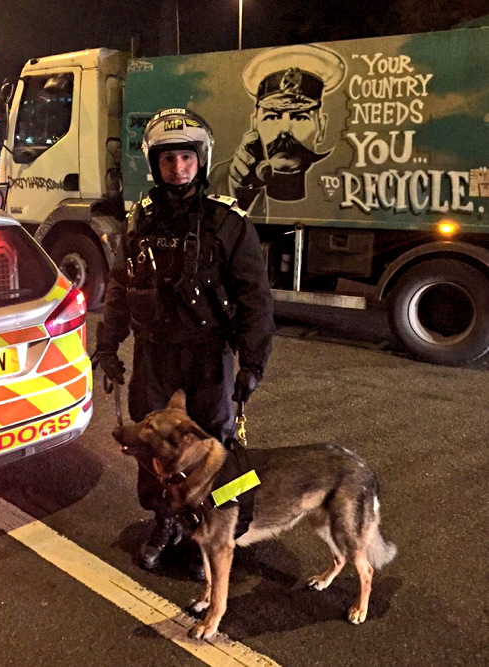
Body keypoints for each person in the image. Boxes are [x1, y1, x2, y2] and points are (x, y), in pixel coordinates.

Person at [97, 107, 275, 578]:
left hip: (208, 355)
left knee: (214, 446)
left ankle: (212, 530)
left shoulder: (227, 223)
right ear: (155, 164)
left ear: (202, 160)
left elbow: (255, 297)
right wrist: (106, 348)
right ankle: (166, 523)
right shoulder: (139, 222)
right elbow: (119, 288)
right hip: (154, 354)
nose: (178, 168)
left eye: (186, 158)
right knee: (151, 446)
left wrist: (252, 363)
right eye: (169, 158)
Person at [208, 43, 346, 217]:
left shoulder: (335, 193)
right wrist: (235, 183)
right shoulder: (223, 177)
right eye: (272, 117)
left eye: (300, 117)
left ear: (321, 127)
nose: (285, 129)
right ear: (255, 125)